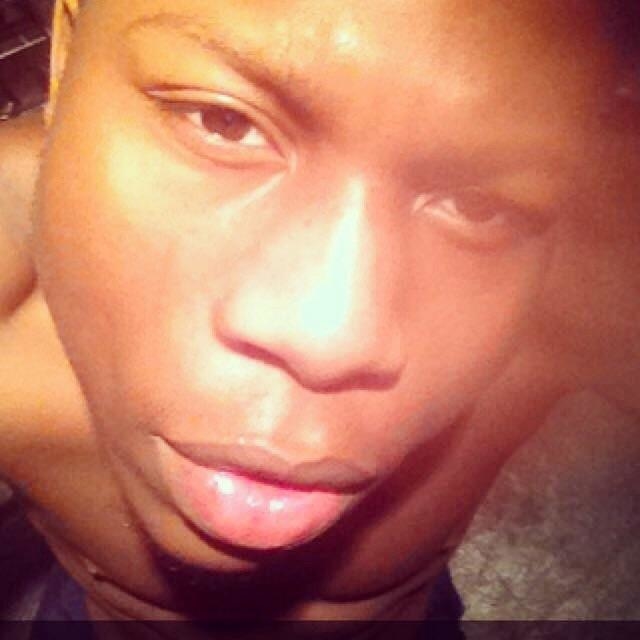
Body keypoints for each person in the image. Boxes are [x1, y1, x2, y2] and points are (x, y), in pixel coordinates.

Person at [0, 0, 637, 632]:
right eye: (224, 121)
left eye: (477, 206)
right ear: (64, 61)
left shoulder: (575, 281)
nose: (329, 337)